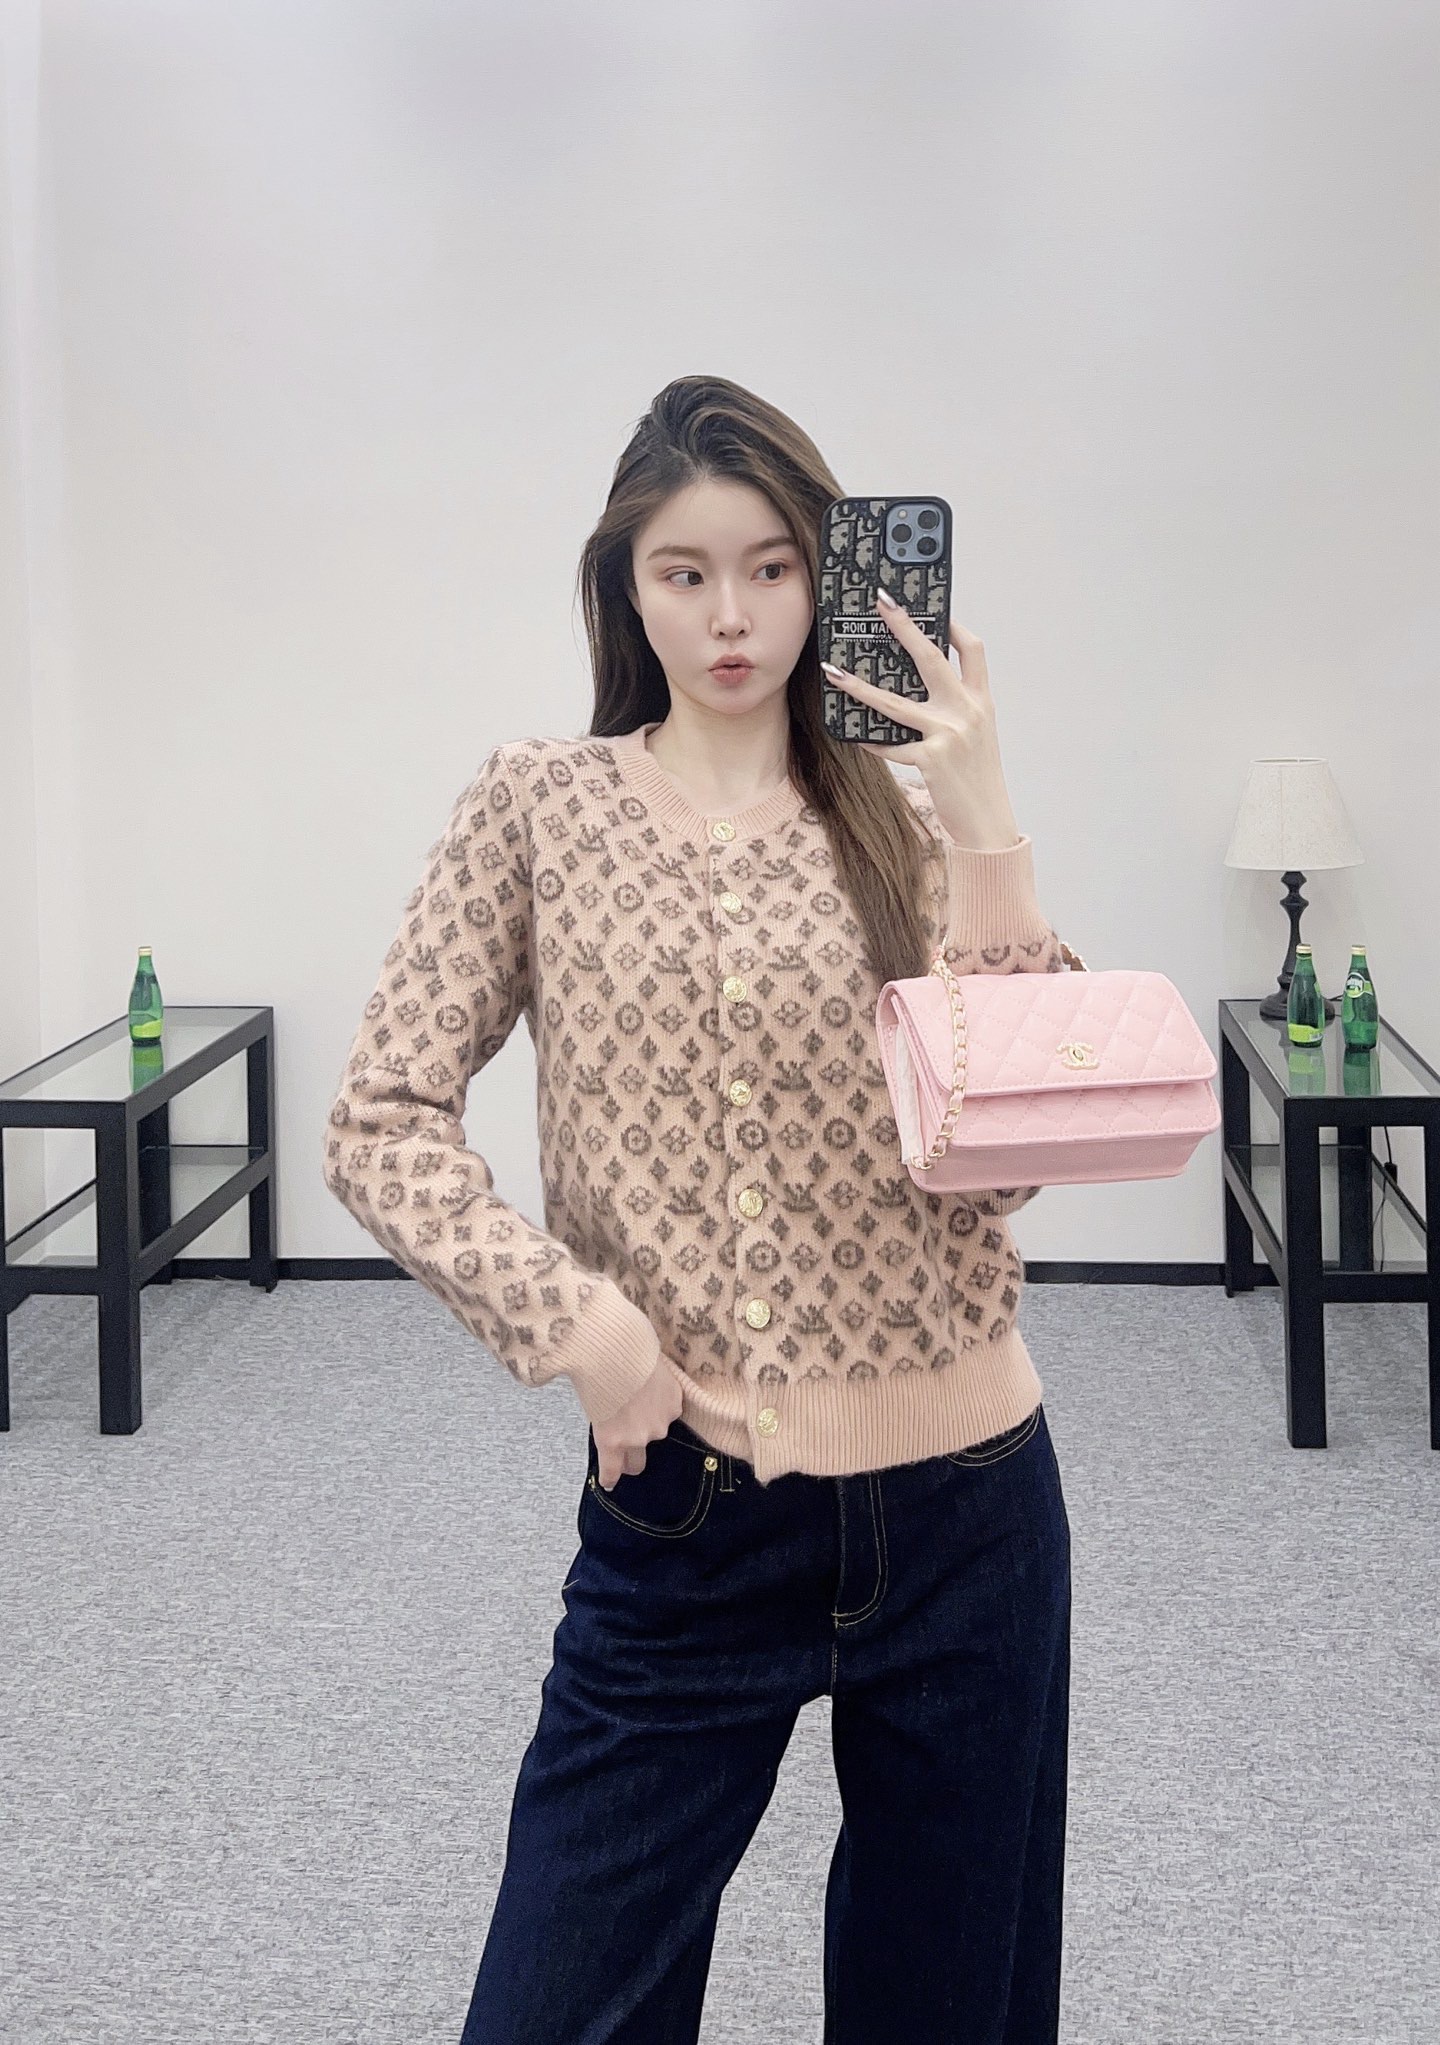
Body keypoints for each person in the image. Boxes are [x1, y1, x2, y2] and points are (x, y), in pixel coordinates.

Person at [323, 374, 1072, 2045]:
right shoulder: (541, 803)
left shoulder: (907, 827)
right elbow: (379, 1116)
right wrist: (579, 1325)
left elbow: (1013, 1159)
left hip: (969, 1515)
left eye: (772, 568)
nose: (732, 616)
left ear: (824, 577)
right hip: (684, 1512)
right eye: (685, 572)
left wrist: (990, 830)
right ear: (628, 587)